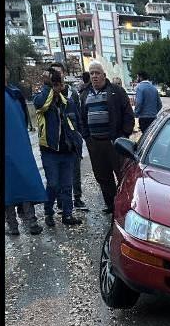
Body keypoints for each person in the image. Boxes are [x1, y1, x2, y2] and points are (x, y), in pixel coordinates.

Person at [80, 61, 135, 213]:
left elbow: (128, 114)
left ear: (104, 75)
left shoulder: (116, 91)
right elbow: (82, 119)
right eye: (92, 73)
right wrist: (87, 138)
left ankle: (125, 204)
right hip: (95, 143)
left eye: (97, 73)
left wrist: (123, 136)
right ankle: (111, 205)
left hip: (114, 143)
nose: (94, 76)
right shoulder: (84, 94)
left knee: (122, 174)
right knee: (102, 177)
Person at [33, 67, 83, 226]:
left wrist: (78, 142)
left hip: (67, 151)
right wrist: (48, 87)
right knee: (53, 184)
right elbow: (42, 103)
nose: (56, 86)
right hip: (50, 151)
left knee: (67, 186)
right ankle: (48, 212)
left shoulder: (67, 102)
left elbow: (77, 123)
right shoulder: (40, 100)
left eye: (58, 83)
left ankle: (67, 215)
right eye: (53, 83)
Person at [4, 72, 45, 236]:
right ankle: (13, 225)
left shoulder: (14, 94)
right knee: (10, 185)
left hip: (19, 144)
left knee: (22, 182)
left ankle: (30, 222)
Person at [48, 62, 88, 211]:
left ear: (64, 73)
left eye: (59, 72)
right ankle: (62, 201)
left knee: (75, 170)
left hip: (72, 139)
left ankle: (77, 197)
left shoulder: (73, 93)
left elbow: (79, 114)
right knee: (59, 173)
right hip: (57, 141)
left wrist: (80, 135)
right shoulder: (48, 94)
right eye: (54, 73)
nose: (58, 75)